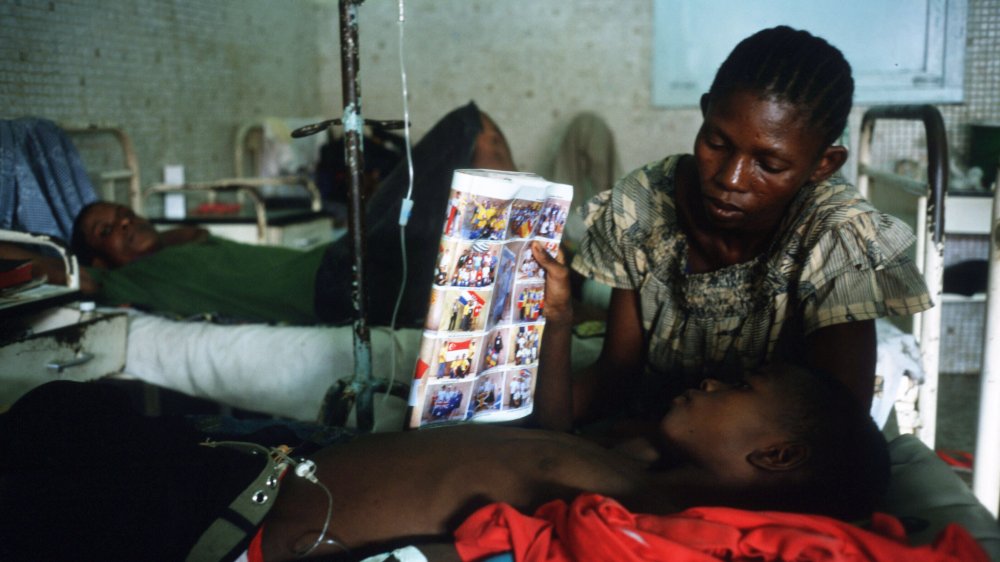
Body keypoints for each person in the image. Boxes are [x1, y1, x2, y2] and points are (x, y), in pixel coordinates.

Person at [0, 358, 889, 561]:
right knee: (69, 412)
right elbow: (549, 433)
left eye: (733, 384)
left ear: (772, 455)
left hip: (229, 524)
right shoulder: (632, 463)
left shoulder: (638, 522)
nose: (706, 377)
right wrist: (550, 311)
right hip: (257, 466)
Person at [558, 26, 931, 431]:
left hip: (761, 462)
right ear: (705, 112)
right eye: (716, 143)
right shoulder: (642, 204)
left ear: (823, 165)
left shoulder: (837, 235)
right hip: (655, 430)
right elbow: (616, 376)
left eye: (769, 165)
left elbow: (834, 432)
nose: (731, 179)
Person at [0, 102, 516, 326]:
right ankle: (538, 263)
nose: (126, 224)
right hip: (336, 287)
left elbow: (171, 233)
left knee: (463, 166)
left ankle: (538, 265)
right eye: (106, 231)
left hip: (342, 260)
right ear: (97, 258)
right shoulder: (120, 283)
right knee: (471, 130)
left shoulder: (183, 239)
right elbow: (57, 271)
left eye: (124, 213)